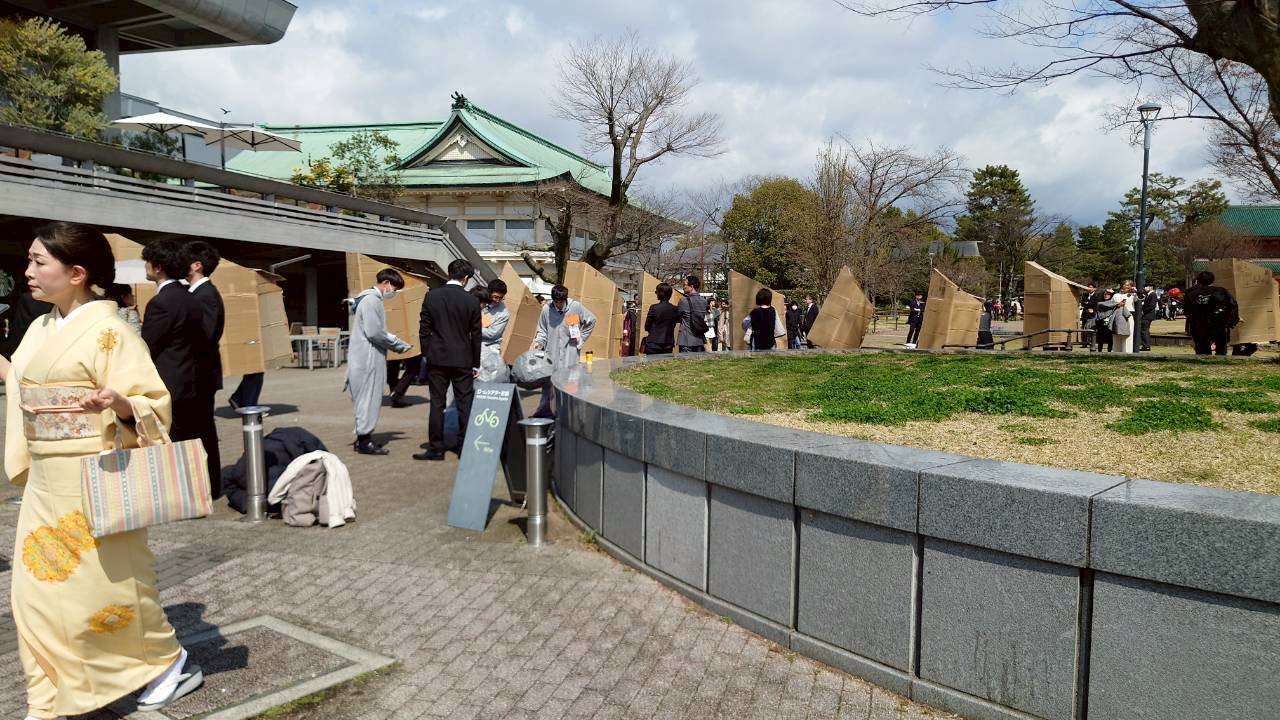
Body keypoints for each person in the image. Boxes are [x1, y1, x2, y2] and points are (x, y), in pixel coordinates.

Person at [7, 222, 202, 719]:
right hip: (48, 479)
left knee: (101, 590)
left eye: (38, 262)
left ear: (76, 273)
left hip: (94, 476)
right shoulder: (40, 325)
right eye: (29, 260)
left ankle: (167, 661)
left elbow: (155, 405)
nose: (27, 271)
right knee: (35, 594)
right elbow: (28, 385)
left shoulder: (111, 330)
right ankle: (53, 693)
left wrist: (118, 403)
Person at [140, 238, 208, 454]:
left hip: (168, 384)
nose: (145, 267)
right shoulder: (191, 298)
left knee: (169, 448)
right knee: (187, 447)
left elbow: (147, 347)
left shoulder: (161, 303)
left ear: (158, 267)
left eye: (147, 262)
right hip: (191, 381)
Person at [415, 259, 482, 461]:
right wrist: (475, 362)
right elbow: (476, 334)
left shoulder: (432, 296)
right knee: (464, 403)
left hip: (437, 358)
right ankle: (463, 448)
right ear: (466, 278)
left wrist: (428, 353)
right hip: (463, 359)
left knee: (437, 403)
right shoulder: (471, 301)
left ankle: (436, 448)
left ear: (449, 273)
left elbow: (424, 329)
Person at [346, 269, 411, 455]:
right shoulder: (372, 300)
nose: (394, 292)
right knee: (369, 399)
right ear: (386, 283)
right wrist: (397, 344)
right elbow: (374, 332)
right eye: (395, 288)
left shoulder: (364, 299)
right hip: (368, 358)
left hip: (362, 357)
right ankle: (365, 442)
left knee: (365, 400)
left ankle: (363, 439)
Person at [182, 240, 225, 499]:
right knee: (200, 430)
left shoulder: (205, 295)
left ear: (196, 265)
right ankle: (206, 485)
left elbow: (205, 335)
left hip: (201, 376)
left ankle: (210, 485)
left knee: (203, 431)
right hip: (199, 375)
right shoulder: (197, 293)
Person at [530, 284, 596, 418]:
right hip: (551, 354)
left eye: (561, 302)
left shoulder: (575, 307)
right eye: (556, 302)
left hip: (570, 354)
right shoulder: (546, 310)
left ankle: (568, 416)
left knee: (570, 385)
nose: (558, 305)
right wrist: (538, 343)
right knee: (549, 385)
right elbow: (542, 330)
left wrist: (581, 339)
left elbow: (592, 320)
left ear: (565, 299)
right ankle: (545, 414)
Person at [1184, 270, 1239, 356]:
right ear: (1213, 280)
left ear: (1198, 281)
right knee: (1221, 349)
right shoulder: (1221, 291)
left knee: (1202, 350)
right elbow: (1232, 305)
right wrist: (1231, 321)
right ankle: (1220, 362)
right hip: (1218, 325)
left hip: (1199, 326)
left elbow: (1187, 311)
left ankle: (1205, 363)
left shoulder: (1192, 295)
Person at [643, 282, 680, 355]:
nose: (655, 293)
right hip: (668, 342)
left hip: (653, 342)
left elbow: (647, 326)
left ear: (660, 293)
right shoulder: (675, 309)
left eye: (656, 291)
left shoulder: (654, 308)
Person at [677, 275, 709, 352]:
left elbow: (677, 317)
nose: (683, 287)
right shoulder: (704, 301)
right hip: (699, 339)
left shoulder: (683, 301)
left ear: (691, 286)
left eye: (685, 285)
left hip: (686, 339)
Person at [1112, 280, 1138, 353]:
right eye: (1124, 284)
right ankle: (1116, 351)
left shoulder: (1133, 295)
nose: (1125, 286)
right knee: (1117, 335)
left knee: (1127, 335)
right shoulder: (1116, 295)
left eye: (1128, 285)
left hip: (1128, 316)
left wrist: (1136, 291)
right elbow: (1111, 304)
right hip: (1118, 316)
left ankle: (1127, 352)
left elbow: (1140, 298)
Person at [1138, 284, 1159, 351]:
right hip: (1147, 315)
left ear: (1151, 287)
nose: (1145, 288)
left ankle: (1146, 345)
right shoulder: (1148, 294)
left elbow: (1152, 305)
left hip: (1148, 315)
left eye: (1146, 286)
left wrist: (1144, 311)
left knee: (1144, 330)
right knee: (1144, 330)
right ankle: (1146, 345)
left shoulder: (1153, 294)